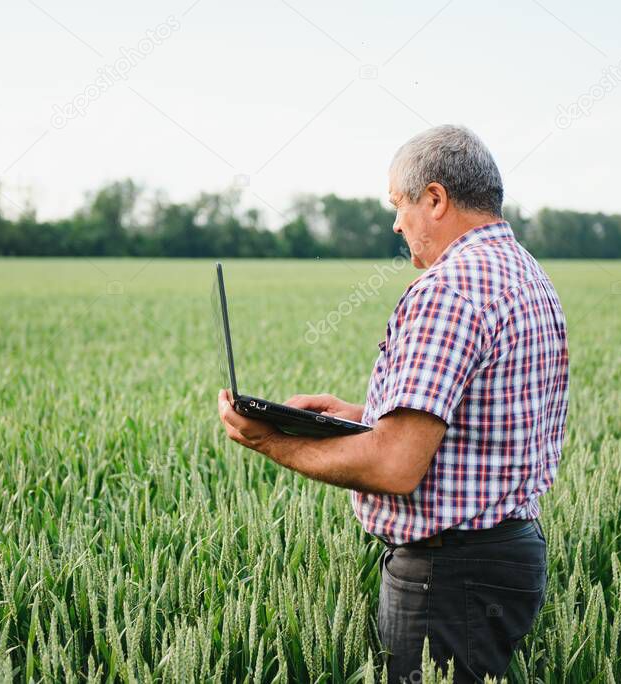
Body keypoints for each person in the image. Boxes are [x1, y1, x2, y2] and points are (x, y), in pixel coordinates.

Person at [217, 124, 569, 682]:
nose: (395, 223)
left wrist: (271, 440)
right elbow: (476, 425)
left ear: (435, 199)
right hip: (508, 556)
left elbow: (395, 466)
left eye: (398, 204)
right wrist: (360, 418)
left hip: (448, 573)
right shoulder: (526, 275)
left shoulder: (449, 289)